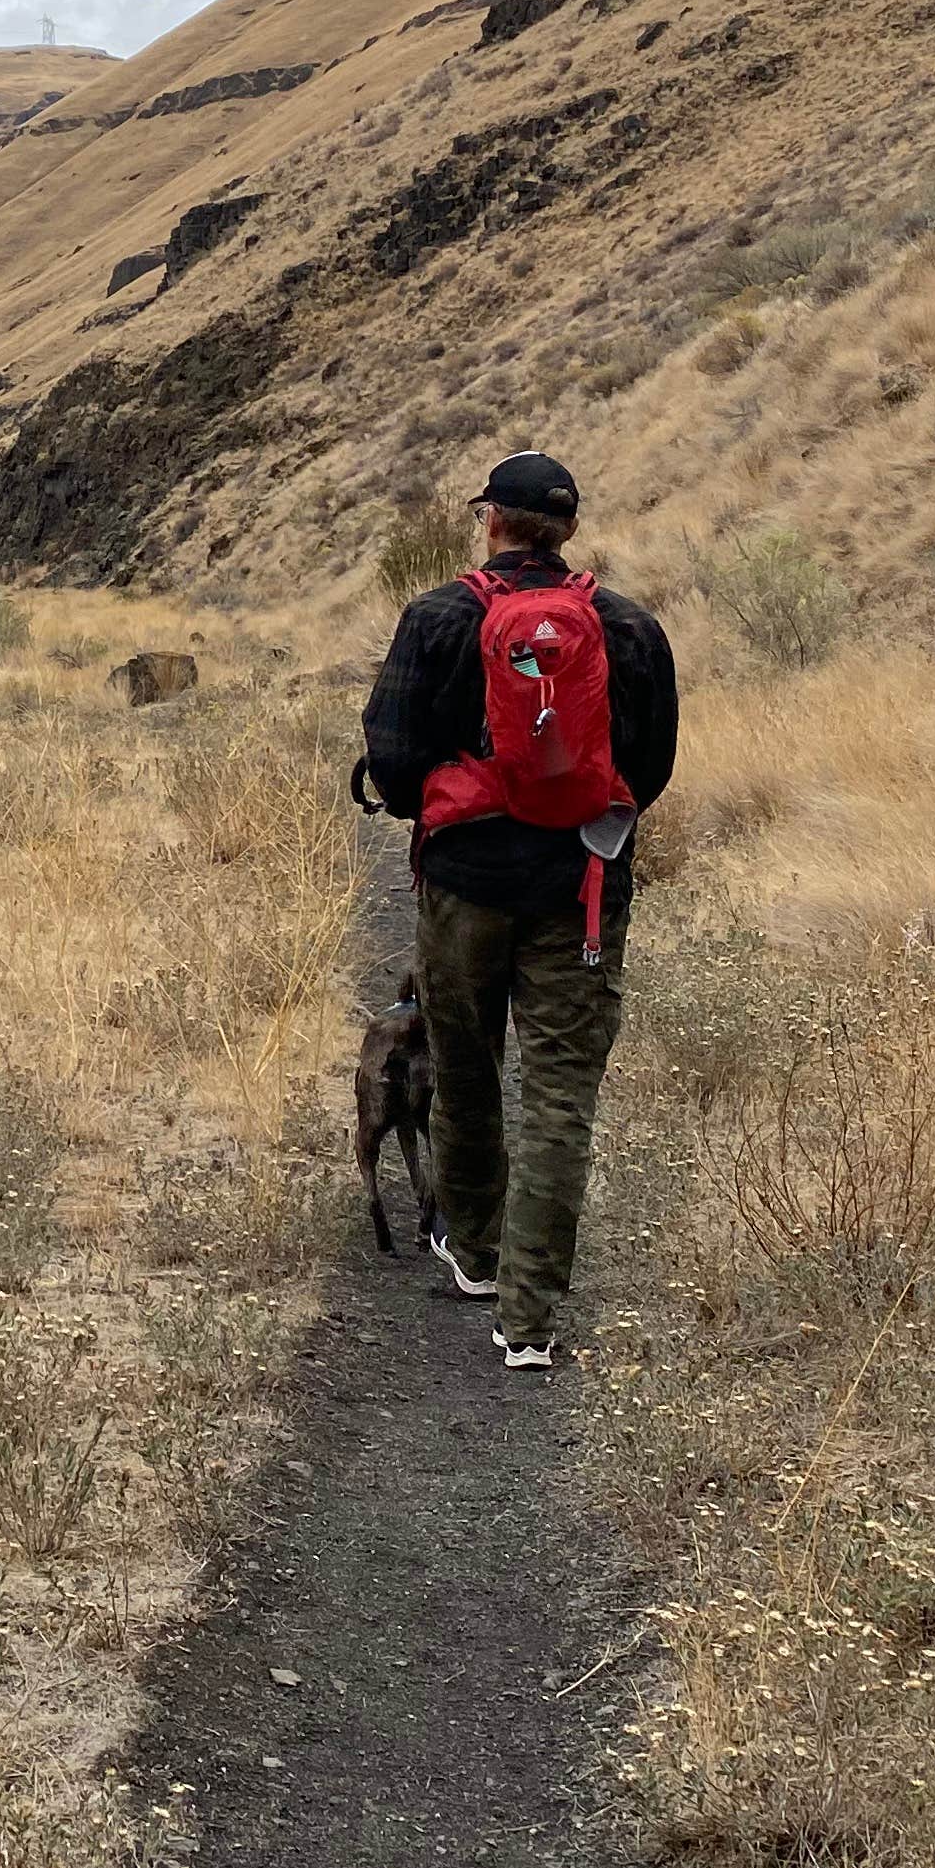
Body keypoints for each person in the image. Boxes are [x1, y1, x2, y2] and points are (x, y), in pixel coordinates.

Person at [355, 452, 677, 1369]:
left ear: (491, 520)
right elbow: (647, 774)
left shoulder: (438, 617)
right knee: (560, 1096)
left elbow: (395, 768)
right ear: (568, 530)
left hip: (464, 886)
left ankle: (479, 1254)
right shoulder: (626, 627)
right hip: (579, 891)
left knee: (465, 1066)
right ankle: (529, 1322)